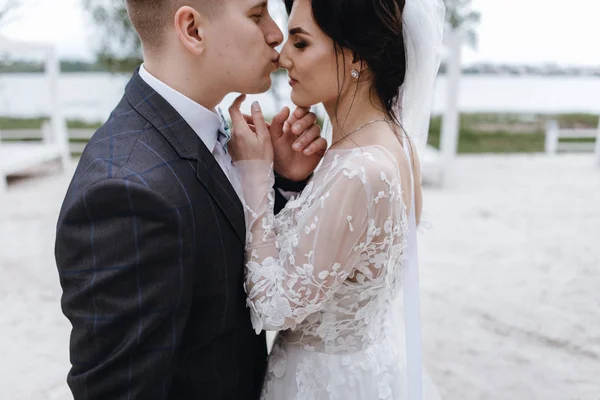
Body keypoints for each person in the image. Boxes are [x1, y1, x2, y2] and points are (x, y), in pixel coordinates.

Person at [54, 1, 327, 399]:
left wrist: (281, 179)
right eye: (257, 15)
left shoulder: (199, 133)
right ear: (193, 30)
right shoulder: (126, 193)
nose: (276, 34)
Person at [228, 0, 445, 398]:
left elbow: (273, 308)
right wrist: (293, 179)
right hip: (368, 366)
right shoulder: (394, 143)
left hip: (322, 383)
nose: (281, 57)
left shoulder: (360, 170)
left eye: (301, 44)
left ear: (356, 55)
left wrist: (255, 174)